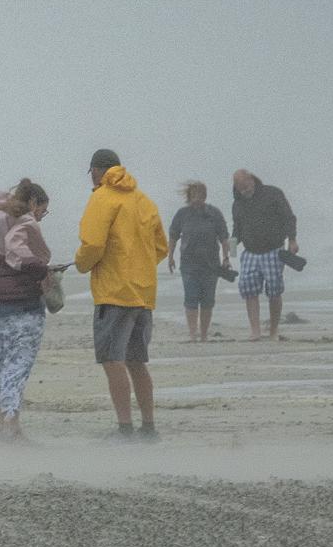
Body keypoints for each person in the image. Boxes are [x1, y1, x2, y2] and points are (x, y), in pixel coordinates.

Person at [75, 148, 169, 440]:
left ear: (96, 170)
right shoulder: (144, 201)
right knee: (136, 361)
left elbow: (92, 244)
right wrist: (138, 267)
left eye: (91, 171)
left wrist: (81, 265)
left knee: (111, 359)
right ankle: (149, 426)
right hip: (143, 293)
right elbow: (161, 248)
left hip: (114, 293)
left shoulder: (102, 198)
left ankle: (125, 427)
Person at [0, 179, 53, 442]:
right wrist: (43, 270)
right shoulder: (23, 221)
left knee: (6, 365)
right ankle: (10, 425)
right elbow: (17, 252)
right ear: (32, 203)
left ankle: (5, 424)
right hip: (23, 302)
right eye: (42, 210)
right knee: (19, 367)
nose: (41, 217)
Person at [230, 169, 299, 340]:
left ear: (252, 179)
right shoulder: (237, 204)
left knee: (274, 291)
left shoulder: (273, 193)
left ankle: (274, 330)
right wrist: (228, 252)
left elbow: (288, 217)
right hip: (250, 252)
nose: (245, 191)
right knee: (248, 290)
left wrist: (292, 240)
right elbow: (237, 230)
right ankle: (256, 331)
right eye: (240, 189)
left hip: (274, 249)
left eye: (246, 186)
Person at [167, 181, 229, 341]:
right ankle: (193, 333)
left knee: (208, 300)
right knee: (191, 297)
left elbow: (224, 237)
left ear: (205, 196)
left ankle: (203, 334)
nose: (197, 199)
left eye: (200, 195)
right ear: (189, 197)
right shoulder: (182, 214)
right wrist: (170, 256)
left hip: (211, 264)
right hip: (189, 265)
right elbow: (173, 235)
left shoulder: (214, 213)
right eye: (194, 195)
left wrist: (226, 258)